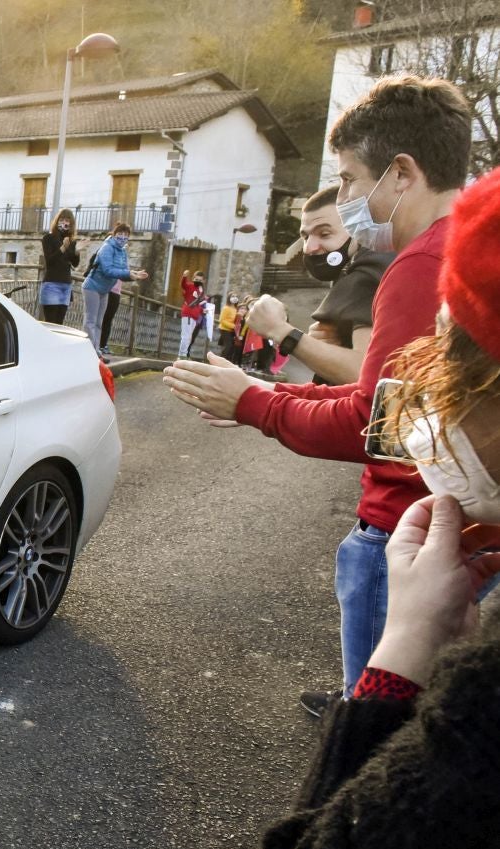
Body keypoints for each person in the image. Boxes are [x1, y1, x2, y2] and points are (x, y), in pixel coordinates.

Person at [162, 75, 472, 715]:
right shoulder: (468, 252)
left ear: (403, 173)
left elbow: (375, 426)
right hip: (451, 527)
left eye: (353, 180)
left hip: (404, 534)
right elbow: (390, 399)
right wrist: (263, 390)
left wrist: (254, 404)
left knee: (374, 727)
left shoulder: (419, 266)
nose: (349, 198)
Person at [262, 167, 500, 849]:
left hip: (397, 538)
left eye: (450, 371)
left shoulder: (414, 263)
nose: (436, 407)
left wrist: (398, 661)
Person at [247, 185, 393, 386]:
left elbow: (366, 375)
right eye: (305, 236)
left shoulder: (370, 272)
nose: (309, 248)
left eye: (324, 234)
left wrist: (280, 330)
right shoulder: (363, 268)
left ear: (358, 229)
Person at [81, 222, 148, 359]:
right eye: (120, 234)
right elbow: (108, 270)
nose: (122, 237)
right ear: (114, 234)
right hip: (92, 286)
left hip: (104, 290)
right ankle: (89, 351)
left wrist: (134, 275)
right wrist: (129, 274)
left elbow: (123, 271)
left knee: (99, 322)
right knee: (90, 320)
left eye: (126, 235)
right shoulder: (107, 248)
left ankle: (96, 351)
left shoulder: (122, 251)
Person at [39, 209, 80, 325]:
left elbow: (75, 263)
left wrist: (77, 252)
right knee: (51, 322)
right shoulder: (48, 238)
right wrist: (62, 248)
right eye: (61, 220)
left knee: (60, 322)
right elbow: (50, 261)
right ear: (57, 221)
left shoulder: (71, 241)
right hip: (52, 284)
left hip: (66, 285)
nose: (64, 223)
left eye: (67, 220)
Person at [178, 270, 206, 358]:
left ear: (203, 281)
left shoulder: (200, 291)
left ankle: (184, 354)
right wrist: (184, 276)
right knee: (186, 336)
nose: (198, 281)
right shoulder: (190, 286)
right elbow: (183, 285)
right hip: (188, 314)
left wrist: (202, 311)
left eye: (200, 280)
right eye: (196, 279)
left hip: (194, 316)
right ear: (193, 278)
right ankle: (181, 355)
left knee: (189, 337)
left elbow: (196, 304)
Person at [218, 294, 240, 359]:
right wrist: (233, 326)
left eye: (236, 296)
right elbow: (221, 320)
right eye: (233, 296)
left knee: (231, 346)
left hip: (232, 331)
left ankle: (227, 360)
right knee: (228, 345)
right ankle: (221, 359)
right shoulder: (226, 308)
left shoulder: (236, 309)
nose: (235, 298)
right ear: (229, 298)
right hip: (224, 329)